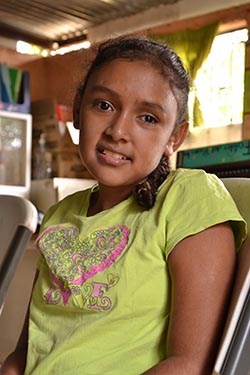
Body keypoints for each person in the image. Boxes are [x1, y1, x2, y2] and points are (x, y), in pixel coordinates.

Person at [1, 35, 247, 375]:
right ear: (77, 110)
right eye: (104, 105)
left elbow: (191, 365)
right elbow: (23, 354)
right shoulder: (60, 215)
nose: (118, 131)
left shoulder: (188, 197)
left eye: (148, 118)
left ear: (175, 137)